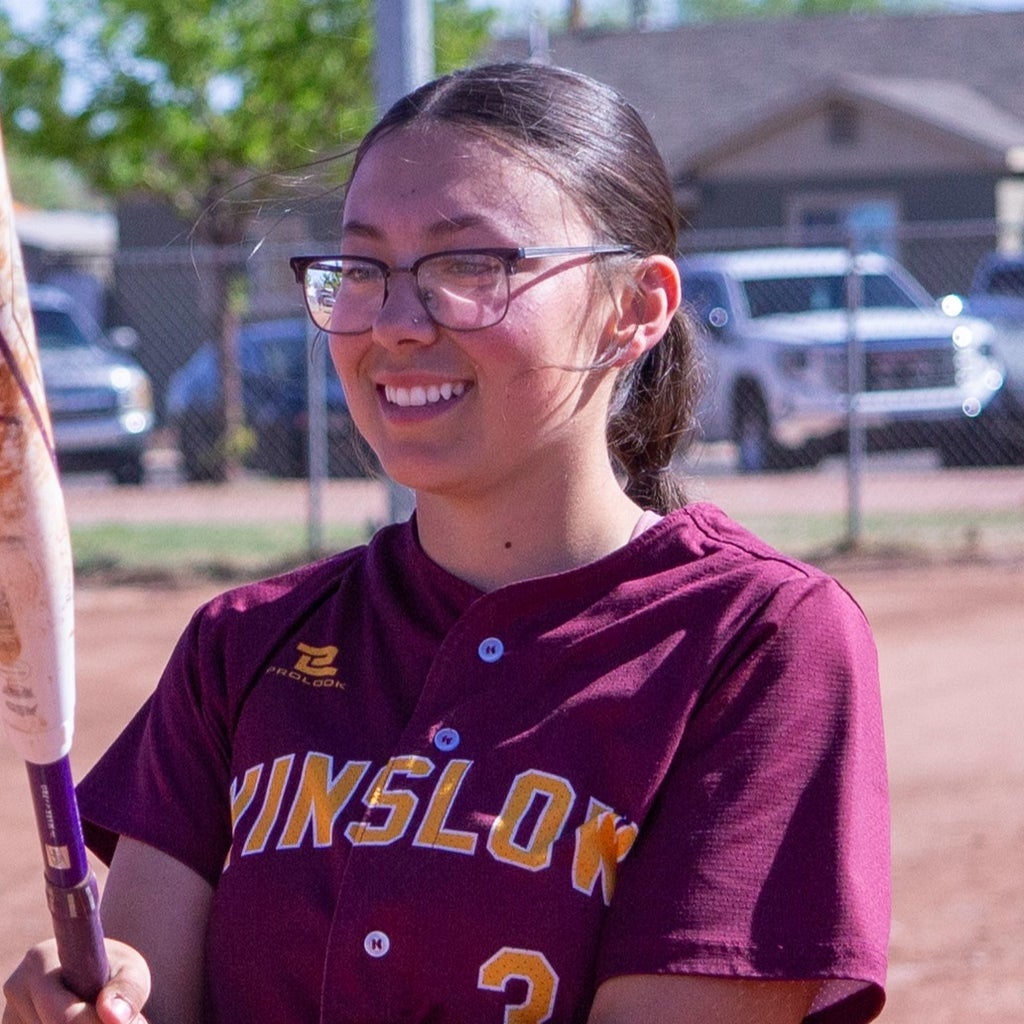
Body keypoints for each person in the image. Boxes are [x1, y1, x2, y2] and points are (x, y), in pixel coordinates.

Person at [3, 61, 889, 1024]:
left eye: (470, 266)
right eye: (362, 269)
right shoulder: (243, 644)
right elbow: (150, 989)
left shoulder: (755, 639)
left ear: (635, 308)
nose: (394, 324)